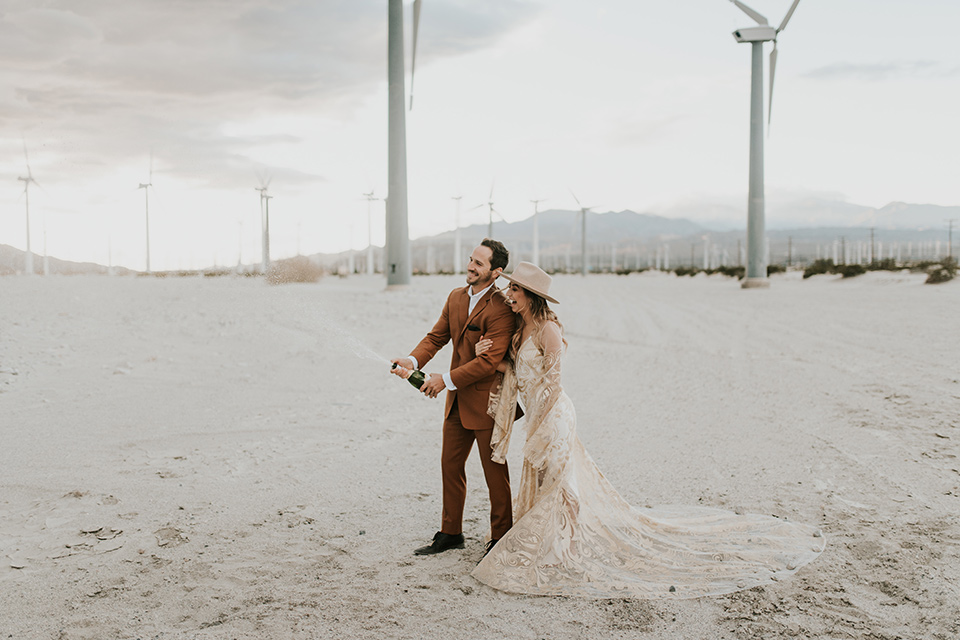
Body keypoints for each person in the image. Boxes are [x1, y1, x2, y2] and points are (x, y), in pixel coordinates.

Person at [471, 262, 825, 598]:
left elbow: (552, 381)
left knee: (562, 483)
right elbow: (518, 372)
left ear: (531, 295)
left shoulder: (549, 330)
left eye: (515, 289)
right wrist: (484, 352)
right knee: (549, 481)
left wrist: (542, 427)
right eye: (511, 287)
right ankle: (553, 544)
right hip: (536, 416)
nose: (510, 294)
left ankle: (570, 547)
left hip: (554, 417)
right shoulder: (521, 329)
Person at [391, 239, 519, 557]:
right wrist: (413, 361)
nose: (470, 267)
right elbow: (437, 337)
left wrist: (444, 381)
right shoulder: (456, 297)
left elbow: (489, 362)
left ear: (496, 272)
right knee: (450, 466)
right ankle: (451, 533)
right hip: (457, 403)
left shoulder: (502, 308)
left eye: (478, 263)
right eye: (470, 260)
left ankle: (501, 537)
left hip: (489, 403)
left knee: (494, 473)